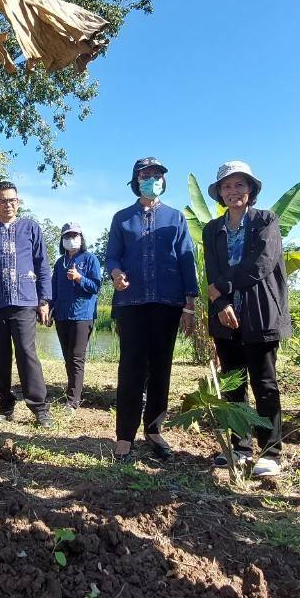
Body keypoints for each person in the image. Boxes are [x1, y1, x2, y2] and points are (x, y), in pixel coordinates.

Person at [104, 158, 199, 461]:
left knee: (161, 367)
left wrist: (189, 303)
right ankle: (124, 435)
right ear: (136, 180)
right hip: (131, 302)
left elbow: (186, 258)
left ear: (163, 181)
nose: (152, 179)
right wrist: (116, 273)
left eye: (157, 175)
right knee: (131, 367)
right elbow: (112, 255)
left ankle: (154, 429)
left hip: (167, 302)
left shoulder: (175, 218)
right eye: (146, 175)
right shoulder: (122, 218)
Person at [203, 161, 291, 477]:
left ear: (250, 189)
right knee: (233, 383)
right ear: (220, 193)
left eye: (239, 184)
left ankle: (271, 451)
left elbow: (261, 263)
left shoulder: (266, 221)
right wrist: (221, 303)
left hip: (260, 312)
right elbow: (212, 269)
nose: (233, 191)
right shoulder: (212, 230)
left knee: (264, 383)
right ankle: (240, 447)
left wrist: (222, 288)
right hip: (225, 316)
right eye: (226, 186)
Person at [0, 181, 53, 427]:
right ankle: (5, 405)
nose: (8, 205)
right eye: (2, 200)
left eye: (12, 200)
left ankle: (39, 407)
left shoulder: (31, 228)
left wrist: (44, 300)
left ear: (18, 201)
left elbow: (42, 266)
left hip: (24, 301)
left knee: (26, 352)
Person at [50, 221, 103, 413]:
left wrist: (79, 278)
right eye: (67, 236)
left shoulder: (90, 259)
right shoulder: (59, 263)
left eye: (74, 235)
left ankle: (73, 401)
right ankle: (72, 392)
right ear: (62, 239)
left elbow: (96, 287)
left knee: (76, 357)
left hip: (82, 315)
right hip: (62, 315)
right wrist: (50, 309)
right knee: (67, 357)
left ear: (81, 238)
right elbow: (53, 290)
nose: (70, 239)